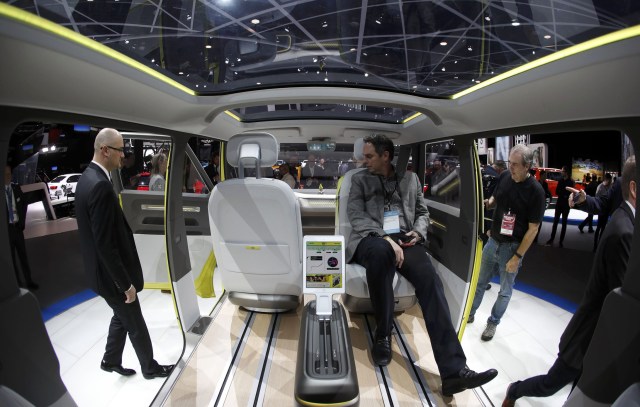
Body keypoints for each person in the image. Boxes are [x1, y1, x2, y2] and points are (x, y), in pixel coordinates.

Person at [347, 134, 497, 396]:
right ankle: (383, 334)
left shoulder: (410, 179)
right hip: (369, 239)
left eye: (370, 156)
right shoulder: (359, 179)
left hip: (405, 239)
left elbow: (423, 213)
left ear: (385, 156)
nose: (365, 160)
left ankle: (454, 371)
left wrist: (417, 232)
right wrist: (384, 237)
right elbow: (356, 216)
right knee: (383, 252)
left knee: (429, 278)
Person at [502, 156, 636, 406]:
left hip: (597, 338)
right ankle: (515, 389)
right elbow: (621, 298)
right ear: (634, 188)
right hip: (589, 335)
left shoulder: (627, 221)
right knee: (551, 384)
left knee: (580, 392)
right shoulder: (624, 231)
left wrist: (585, 200)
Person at [75, 128, 173, 379]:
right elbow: (105, 245)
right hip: (110, 276)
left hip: (97, 272)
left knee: (121, 315)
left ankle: (110, 360)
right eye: (120, 149)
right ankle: (150, 368)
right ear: (105, 150)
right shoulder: (100, 186)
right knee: (134, 320)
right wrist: (125, 284)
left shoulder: (87, 178)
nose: (125, 155)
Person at [468, 144, 545, 341]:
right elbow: (496, 196)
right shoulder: (504, 177)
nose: (511, 168)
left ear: (527, 166)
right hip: (493, 241)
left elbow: (533, 228)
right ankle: (469, 313)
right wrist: (489, 202)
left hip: (512, 249)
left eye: (516, 165)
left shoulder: (536, 191)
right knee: (479, 282)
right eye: (510, 163)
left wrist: (517, 257)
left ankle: (492, 323)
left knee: (504, 291)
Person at [4, 165, 38, 290]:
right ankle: (18, 285)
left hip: (18, 228)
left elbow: (24, 204)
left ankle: (29, 281)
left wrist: (22, 221)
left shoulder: (16, 188)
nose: (8, 176)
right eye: (5, 174)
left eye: (9, 174)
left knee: (23, 256)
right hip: (7, 231)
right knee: (12, 259)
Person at [545, 165, 574, 248]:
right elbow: (557, 191)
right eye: (561, 171)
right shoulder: (560, 181)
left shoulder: (570, 182)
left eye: (563, 171)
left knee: (564, 223)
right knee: (555, 222)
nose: (562, 172)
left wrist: (563, 194)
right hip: (559, 204)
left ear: (566, 172)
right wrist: (564, 193)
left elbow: (570, 193)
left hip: (566, 206)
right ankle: (552, 238)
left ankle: (561, 241)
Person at [592, 173, 613, 251]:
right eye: (609, 180)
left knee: (603, 228)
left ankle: (600, 245)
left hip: (606, 210)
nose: (610, 182)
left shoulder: (611, 187)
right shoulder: (600, 186)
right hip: (601, 210)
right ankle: (595, 245)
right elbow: (597, 197)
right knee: (598, 227)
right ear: (607, 179)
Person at [533, 169, 551, 244]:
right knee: (535, 221)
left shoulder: (546, 184)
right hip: (536, 204)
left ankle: (536, 237)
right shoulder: (537, 183)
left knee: (540, 221)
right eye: (545, 175)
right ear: (542, 175)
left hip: (542, 204)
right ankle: (533, 237)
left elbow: (547, 193)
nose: (546, 177)